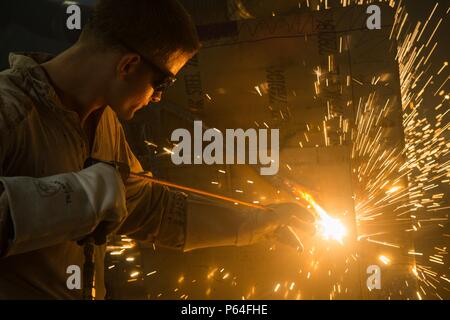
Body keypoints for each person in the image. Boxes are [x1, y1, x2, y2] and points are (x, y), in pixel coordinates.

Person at [0, 0, 315, 299]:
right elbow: (98, 195)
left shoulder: (105, 124)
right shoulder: (10, 112)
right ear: (129, 65)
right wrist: (72, 197)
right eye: (163, 83)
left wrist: (253, 224)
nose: (158, 98)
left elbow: (150, 209)